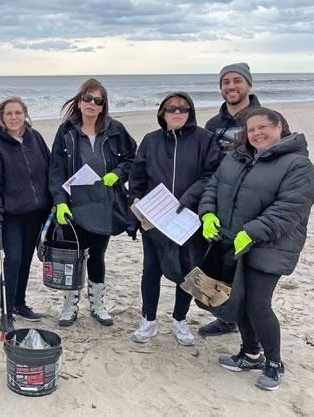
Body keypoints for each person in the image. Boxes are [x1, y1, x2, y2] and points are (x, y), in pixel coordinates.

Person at [199, 107, 314, 391]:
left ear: (280, 127)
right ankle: (251, 354)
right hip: (232, 243)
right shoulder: (236, 158)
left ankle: (274, 362)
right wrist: (208, 213)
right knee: (237, 301)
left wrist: (251, 232)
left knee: (258, 306)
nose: (257, 134)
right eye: (251, 130)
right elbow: (214, 186)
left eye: (263, 127)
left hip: (269, 247)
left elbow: (290, 209)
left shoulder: (297, 165)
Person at [128, 92, 220, 346]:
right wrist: (134, 215)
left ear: (190, 112)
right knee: (151, 270)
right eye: (171, 108)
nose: (177, 112)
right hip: (155, 219)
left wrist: (186, 200)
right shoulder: (150, 140)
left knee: (186, 269)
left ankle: (180, 320)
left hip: (188, 218)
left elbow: (211, 174)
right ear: (162, 113)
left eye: (184, 108)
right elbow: (136, 180)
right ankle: (148, 320)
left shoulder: (205, 139)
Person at [49, 78, 137, 327]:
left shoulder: (116, 129)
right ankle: (69, 305)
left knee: (97, 255)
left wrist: (118, 174)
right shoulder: (65, 131)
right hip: (73, 206)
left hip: (103, 204)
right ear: (79, 101)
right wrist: (60, 202)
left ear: (103, 106)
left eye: (98, 100)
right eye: (87, 98)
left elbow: (133, 158)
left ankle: (97, 304)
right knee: (72, 256)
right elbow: (56, 171)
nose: (92, 103)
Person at [0, 96, 51, 332]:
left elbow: (48, 171)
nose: (13, 118)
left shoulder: (35, 138)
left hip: (34, 214)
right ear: (1, 116)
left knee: (26, 261)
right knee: (13, 260)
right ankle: (7, 311)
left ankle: (20, 303)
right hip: (9, 216)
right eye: (8, 113)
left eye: (18, 113)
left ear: (25, 115)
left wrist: (52, 205)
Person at [199, 62, 261, 337]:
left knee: (251, 274)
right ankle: (227, 320)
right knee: (223, 267)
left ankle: (253, 334)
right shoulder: (213, 125)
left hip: (254, 206)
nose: (231, 86)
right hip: (222, 207)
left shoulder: (265, 119)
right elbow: (209, 167)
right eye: (226, 82)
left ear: (248, 84)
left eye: (237, 81)